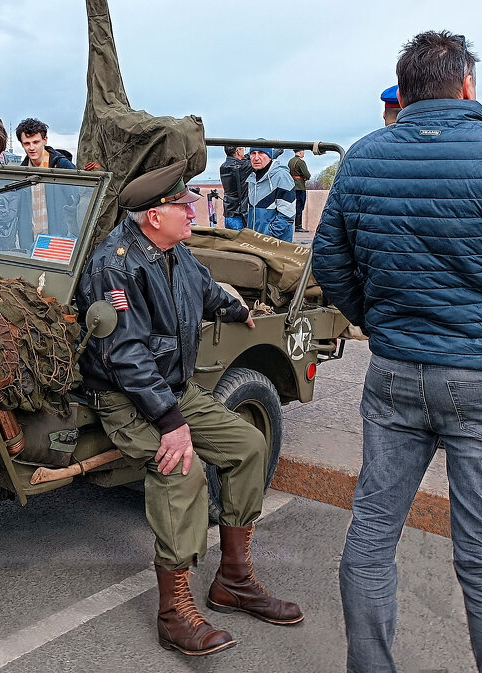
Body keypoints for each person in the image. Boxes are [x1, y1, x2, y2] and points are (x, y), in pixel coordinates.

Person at [313, 31, 482, 672]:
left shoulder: (366, 156)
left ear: (403, 92)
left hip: (398, 371)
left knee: (371, 536)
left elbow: (329, 260)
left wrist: (378, 323)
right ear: (467, 86)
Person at [76, 161, 303, 657]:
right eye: (184, 205)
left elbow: (202, 291)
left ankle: (234, 580)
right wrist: (171, 424)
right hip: (126, 398)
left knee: (248, 445)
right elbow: (126, 357)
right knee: (181, 470)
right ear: (154, 216)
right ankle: (173, 612)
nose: (193, 209)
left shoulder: (176, 251)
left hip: (172, 390)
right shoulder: (115, 265)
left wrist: (235, 310)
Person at [15, 118, 80, 240]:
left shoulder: (62, 166)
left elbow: (77, 203)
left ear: (45, 140)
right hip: (31, 241)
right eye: (27, 143)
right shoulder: (21, 172)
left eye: (36, 142)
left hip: (59, 240)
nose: (31, 147)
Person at [244, 145, 296, 241]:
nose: (256, 158)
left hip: (275, 244)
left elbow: (288, 213)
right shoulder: (252, 177)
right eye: (253, 153)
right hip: (255, 241)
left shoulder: (282, 176)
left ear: (269, 156)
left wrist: (270, 235)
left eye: (261, 153)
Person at [219, 146, 251, 230]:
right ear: (238, 152)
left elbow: (246, 158)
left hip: (228, 213)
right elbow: (258, 161)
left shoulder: (223, 166)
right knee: (241, 242)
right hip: (238, 215)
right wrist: (278, 150)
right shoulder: (241, 167)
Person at [287, 149, 312, 232]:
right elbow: (307, 174)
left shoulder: (290, 161)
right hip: (300, 187)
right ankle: (298, 226)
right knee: (299, 206)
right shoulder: (301, 162)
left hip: (292, 186)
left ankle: (292, 225)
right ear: (300, 152)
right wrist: (307, 177)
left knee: (292, 206)